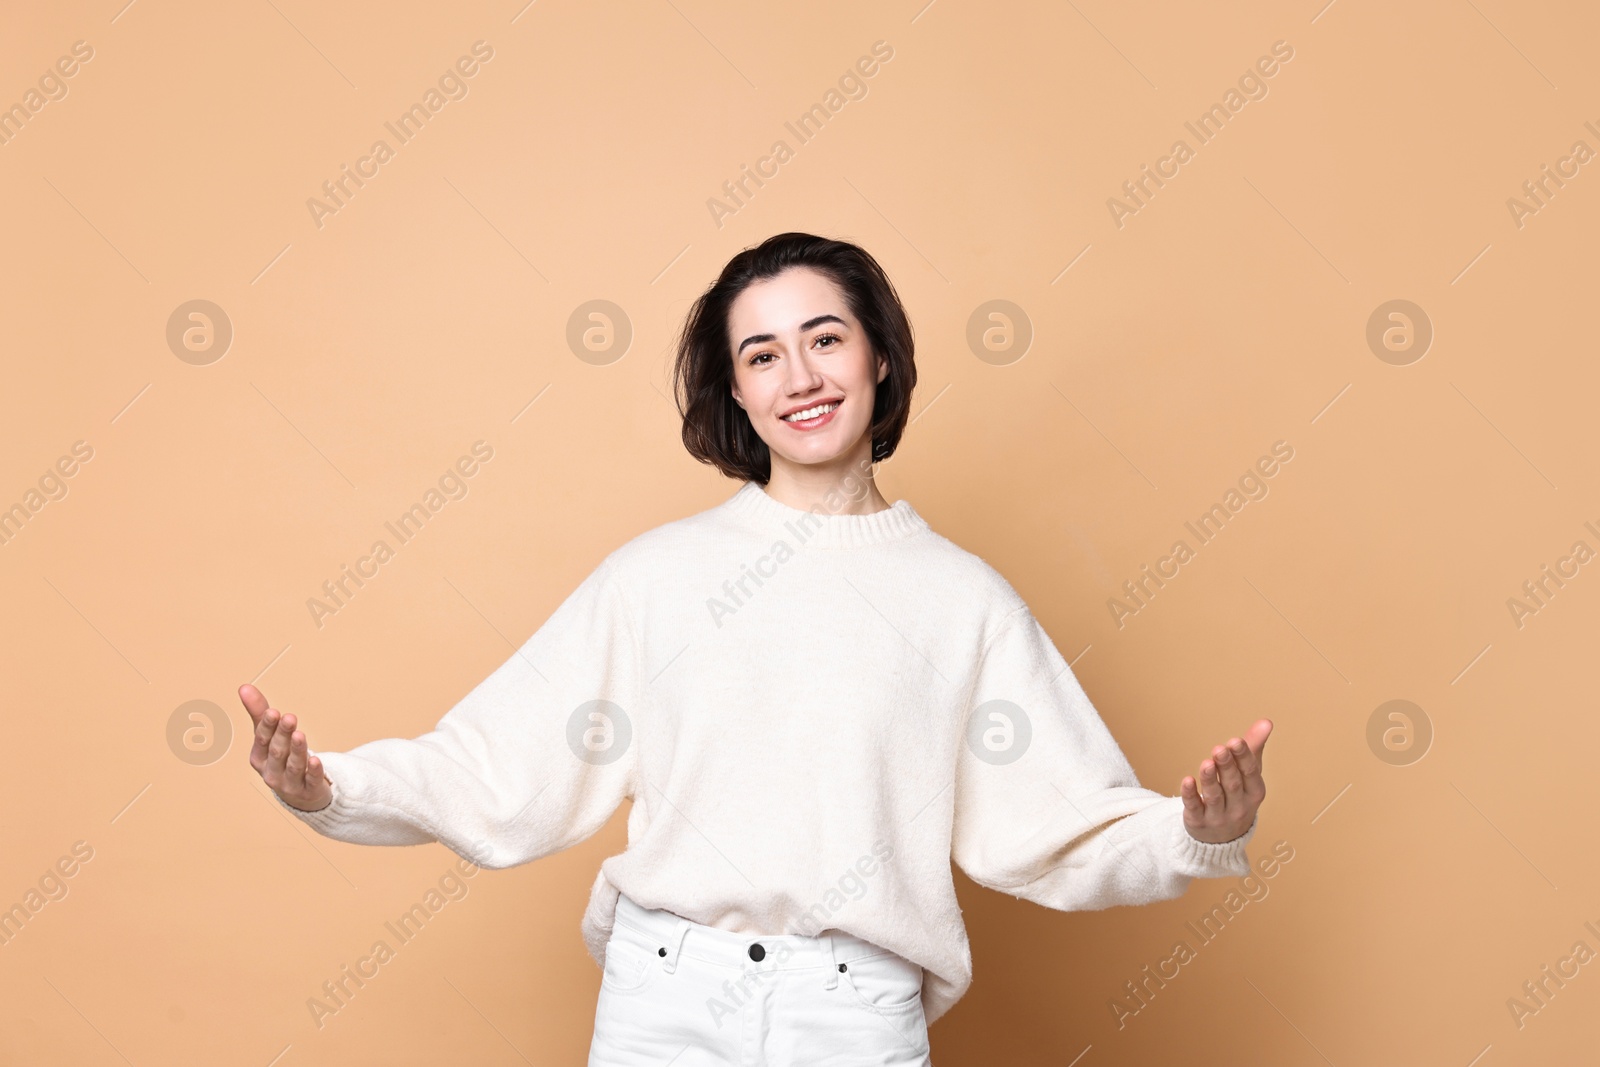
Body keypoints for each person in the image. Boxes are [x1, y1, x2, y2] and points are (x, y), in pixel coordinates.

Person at [240, 231, 1271, 1065]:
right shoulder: (656, 577)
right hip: (662, 1000)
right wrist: (331, 784)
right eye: (761, 354)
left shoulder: (964, 601)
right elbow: (495, 762)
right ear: (735, 392)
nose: (800, 376)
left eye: (825, 339)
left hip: (853, 1011)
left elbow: (1058, 818)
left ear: (879, 356)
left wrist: (1191, 829)